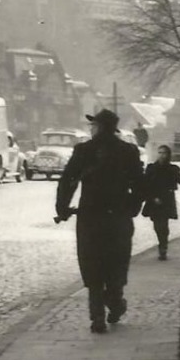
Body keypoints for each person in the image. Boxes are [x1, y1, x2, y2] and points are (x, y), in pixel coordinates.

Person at [56, 108, 145, 334]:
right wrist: (132, 208)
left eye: (93, 125)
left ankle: (97, 317)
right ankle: (115, 304)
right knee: (116, 263)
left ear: (99, 127)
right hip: (118, 217)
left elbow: (68, 180)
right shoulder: (128, 151)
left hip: (90, 217)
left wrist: (63, 208)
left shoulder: (84, 150)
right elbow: (139, 185)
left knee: (92, 264)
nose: (91, 129)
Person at [139, 144, 180, 260]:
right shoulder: (151, 168)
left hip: (166, 199)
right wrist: (152, 197)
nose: (161, 155)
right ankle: (162, 244)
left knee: (163, 225)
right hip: (154, 199)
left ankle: (163, 247)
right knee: (157, 225)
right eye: (160, 153)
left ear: (168, 154)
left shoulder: (172, 169)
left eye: (164, 153)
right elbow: (146, 185)